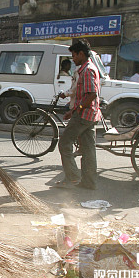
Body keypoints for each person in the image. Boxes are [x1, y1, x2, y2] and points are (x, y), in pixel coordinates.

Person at [57, 39, 101, 190]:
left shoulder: (87, 70)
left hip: (83, 115)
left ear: (81, 54)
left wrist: (77, 109)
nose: (73, 59)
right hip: (90, 115)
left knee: (64, 143)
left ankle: (73, 178)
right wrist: (72, 110)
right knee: (88, 150)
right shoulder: (86, 69)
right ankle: (89, 183)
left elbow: (91, 95)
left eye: (75, 56)